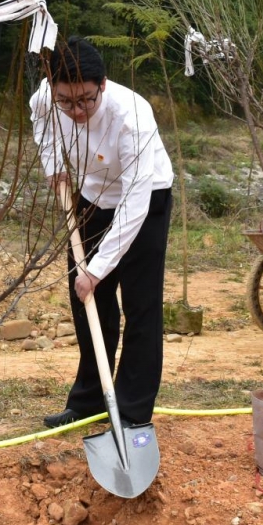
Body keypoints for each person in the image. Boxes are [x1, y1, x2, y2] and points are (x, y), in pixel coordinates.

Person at [29, 36, 174, 429]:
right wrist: (53, 166)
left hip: (144, 199)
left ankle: (131, 410)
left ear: (103, 86)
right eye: (67, 101)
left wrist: (98, 267)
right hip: (91, 197)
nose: (76, 110)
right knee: (88, 303)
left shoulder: (132, 116)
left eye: (86, 100)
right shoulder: (47, 97)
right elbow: (39, 119)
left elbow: (134, 202)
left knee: (140, 307)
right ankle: (91, 398)